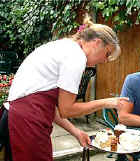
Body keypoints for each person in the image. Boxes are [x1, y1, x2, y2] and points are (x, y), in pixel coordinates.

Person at [6, 14, 128, 161]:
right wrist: (106, 102)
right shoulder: (76, 57)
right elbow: (67, 110)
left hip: (16, 116)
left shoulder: (67, 47)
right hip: (28, 121)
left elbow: (50, 107)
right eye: (107, 54)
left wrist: (76, 132)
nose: (105, 61)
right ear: (96, 43)